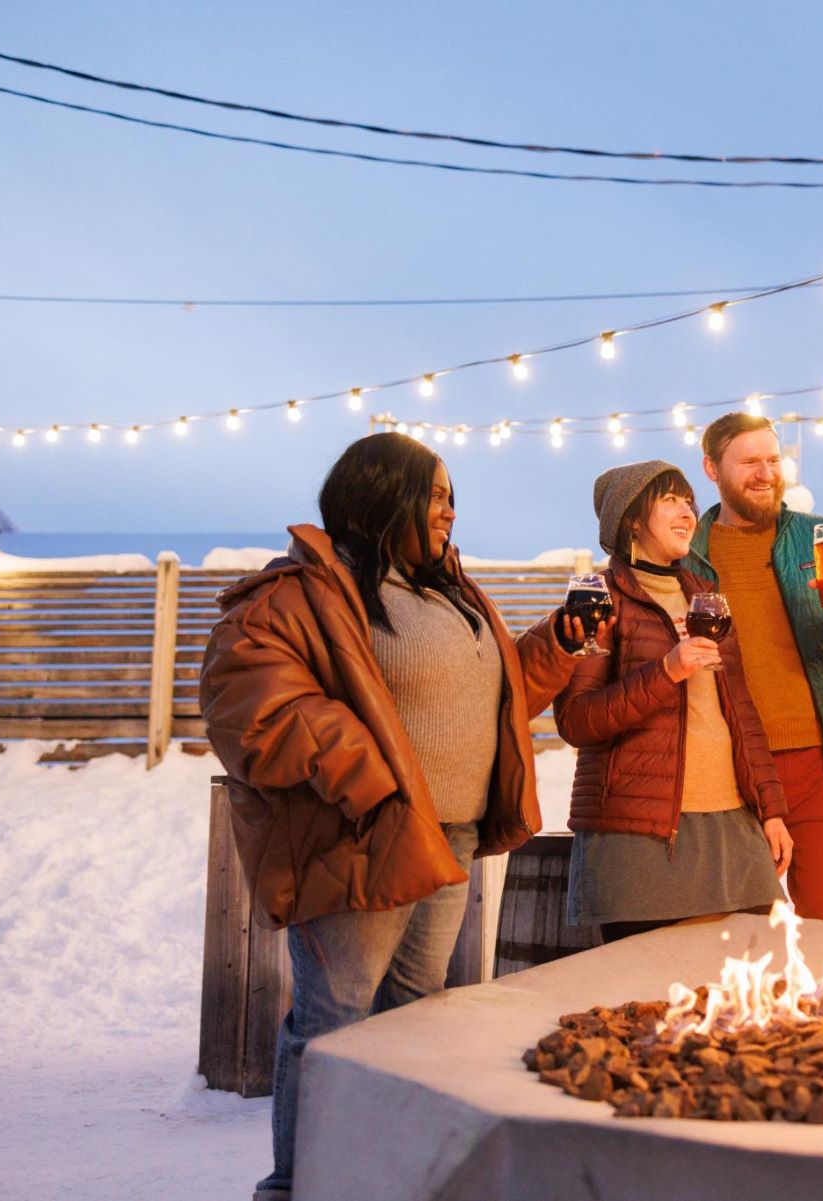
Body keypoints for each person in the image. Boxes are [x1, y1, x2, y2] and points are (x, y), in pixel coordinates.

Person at [199, 432, 593, 1201]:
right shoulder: (305, 592)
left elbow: (494, 691)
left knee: (414, 1018)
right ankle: (301, 1184)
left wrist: (560, 641)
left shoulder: (446, 590)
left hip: (449, 838)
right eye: (435, 494)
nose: (450, 511)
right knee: (335, 1020)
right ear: (384, 496)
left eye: (452, 496)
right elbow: (247, 701)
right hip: (364, 835)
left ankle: (386, 1176)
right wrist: (365, 777)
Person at [556, 460, 794, 941]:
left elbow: (740, 714)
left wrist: (770, 809)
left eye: (689, 501)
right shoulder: (596, 597)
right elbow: (577, 720)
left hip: (730, 821)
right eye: (669, 500)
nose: (688, 512)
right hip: (640, 835)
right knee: (650, 998)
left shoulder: (705, 598)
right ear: (632, 520)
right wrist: (666, 672)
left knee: (748, 987)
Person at [683, 413, 823, 923]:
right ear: (711, 469)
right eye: (750, 461)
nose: (766, 473)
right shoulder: (689, 552)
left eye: (774, 460)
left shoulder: (819, 537)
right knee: (739, 941)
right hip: (733, 773)